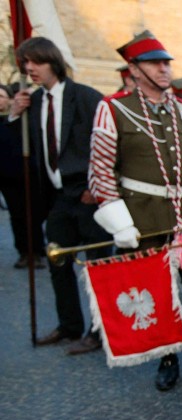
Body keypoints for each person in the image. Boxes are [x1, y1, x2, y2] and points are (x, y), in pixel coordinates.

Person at [88, 30, 182, 391]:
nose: (165, 69)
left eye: (167, 62)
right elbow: (100, 171)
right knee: (155, 292)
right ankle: (167, 358)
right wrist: (119, 221)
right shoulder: (113, 108)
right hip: (144, 219)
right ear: (134, 68)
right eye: (155, 63)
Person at [8, 37, 109, 354]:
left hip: (88, 195)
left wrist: (99, 185)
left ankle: (99, 330)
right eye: (24, 63)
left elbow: (109, 141)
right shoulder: (33, 101)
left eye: (34, 62)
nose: (29, 69)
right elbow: (17, 151)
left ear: (52, 61)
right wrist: (13, 114)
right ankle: (69, 325)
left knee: (97, 265)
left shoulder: (86, 97)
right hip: (57, 198)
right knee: (58, 261)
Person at [1, 82, 46, 269]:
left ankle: (36, 250)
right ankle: (24, 252)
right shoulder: (9, 120)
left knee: (34, 214)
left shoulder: (24, 117)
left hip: (30, 174)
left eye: (2, 96)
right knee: (17, 215)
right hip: (7, 176)